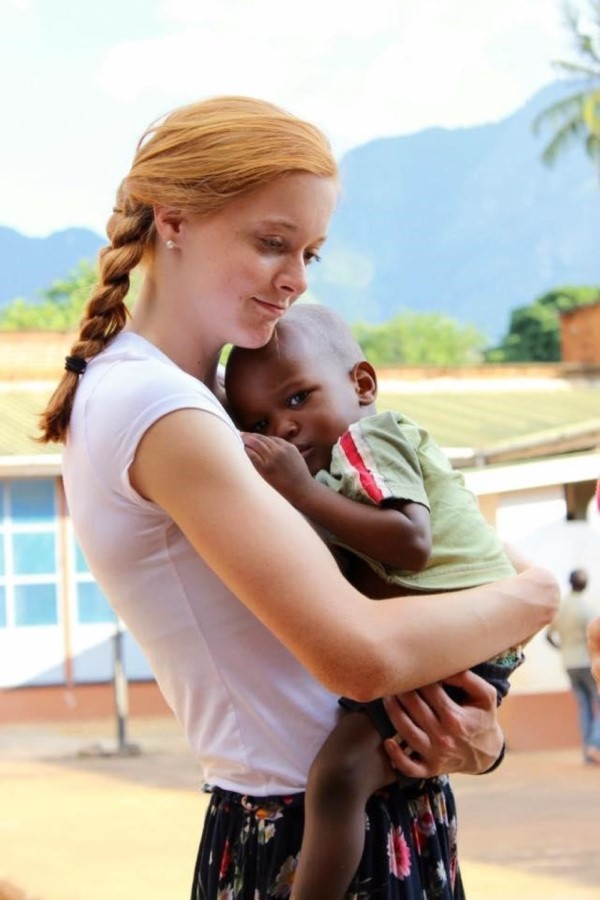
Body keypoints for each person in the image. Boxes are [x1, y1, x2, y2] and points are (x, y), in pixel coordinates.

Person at [38, 95, 558, 900]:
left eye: (311, 251)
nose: (297, 280)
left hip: (368, 804)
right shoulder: (163, 411)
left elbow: (441, 554)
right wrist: (535, 594)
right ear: (172, 221)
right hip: (299, 827)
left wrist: (476, 742)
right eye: (272, 242)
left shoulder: (217, 403)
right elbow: (359, 653)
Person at [225, 304, 526, 899]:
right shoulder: (333, 473)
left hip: (462, 630)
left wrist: (301, 493)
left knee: (337, 777)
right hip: (443, 636)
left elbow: (411, 544)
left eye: (297, 398)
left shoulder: (370, 438)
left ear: (362, 384)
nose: (282, 429)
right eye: (258, 422)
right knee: (357, 770)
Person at [546, 569, 600, 765]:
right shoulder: (587, 608)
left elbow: (548, 636)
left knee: (584, 706)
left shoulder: (560, 608)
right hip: (588, 663)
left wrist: (563, 649)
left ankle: (588, 752)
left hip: (569, 663)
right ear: (585, 585)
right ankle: (595, 744)